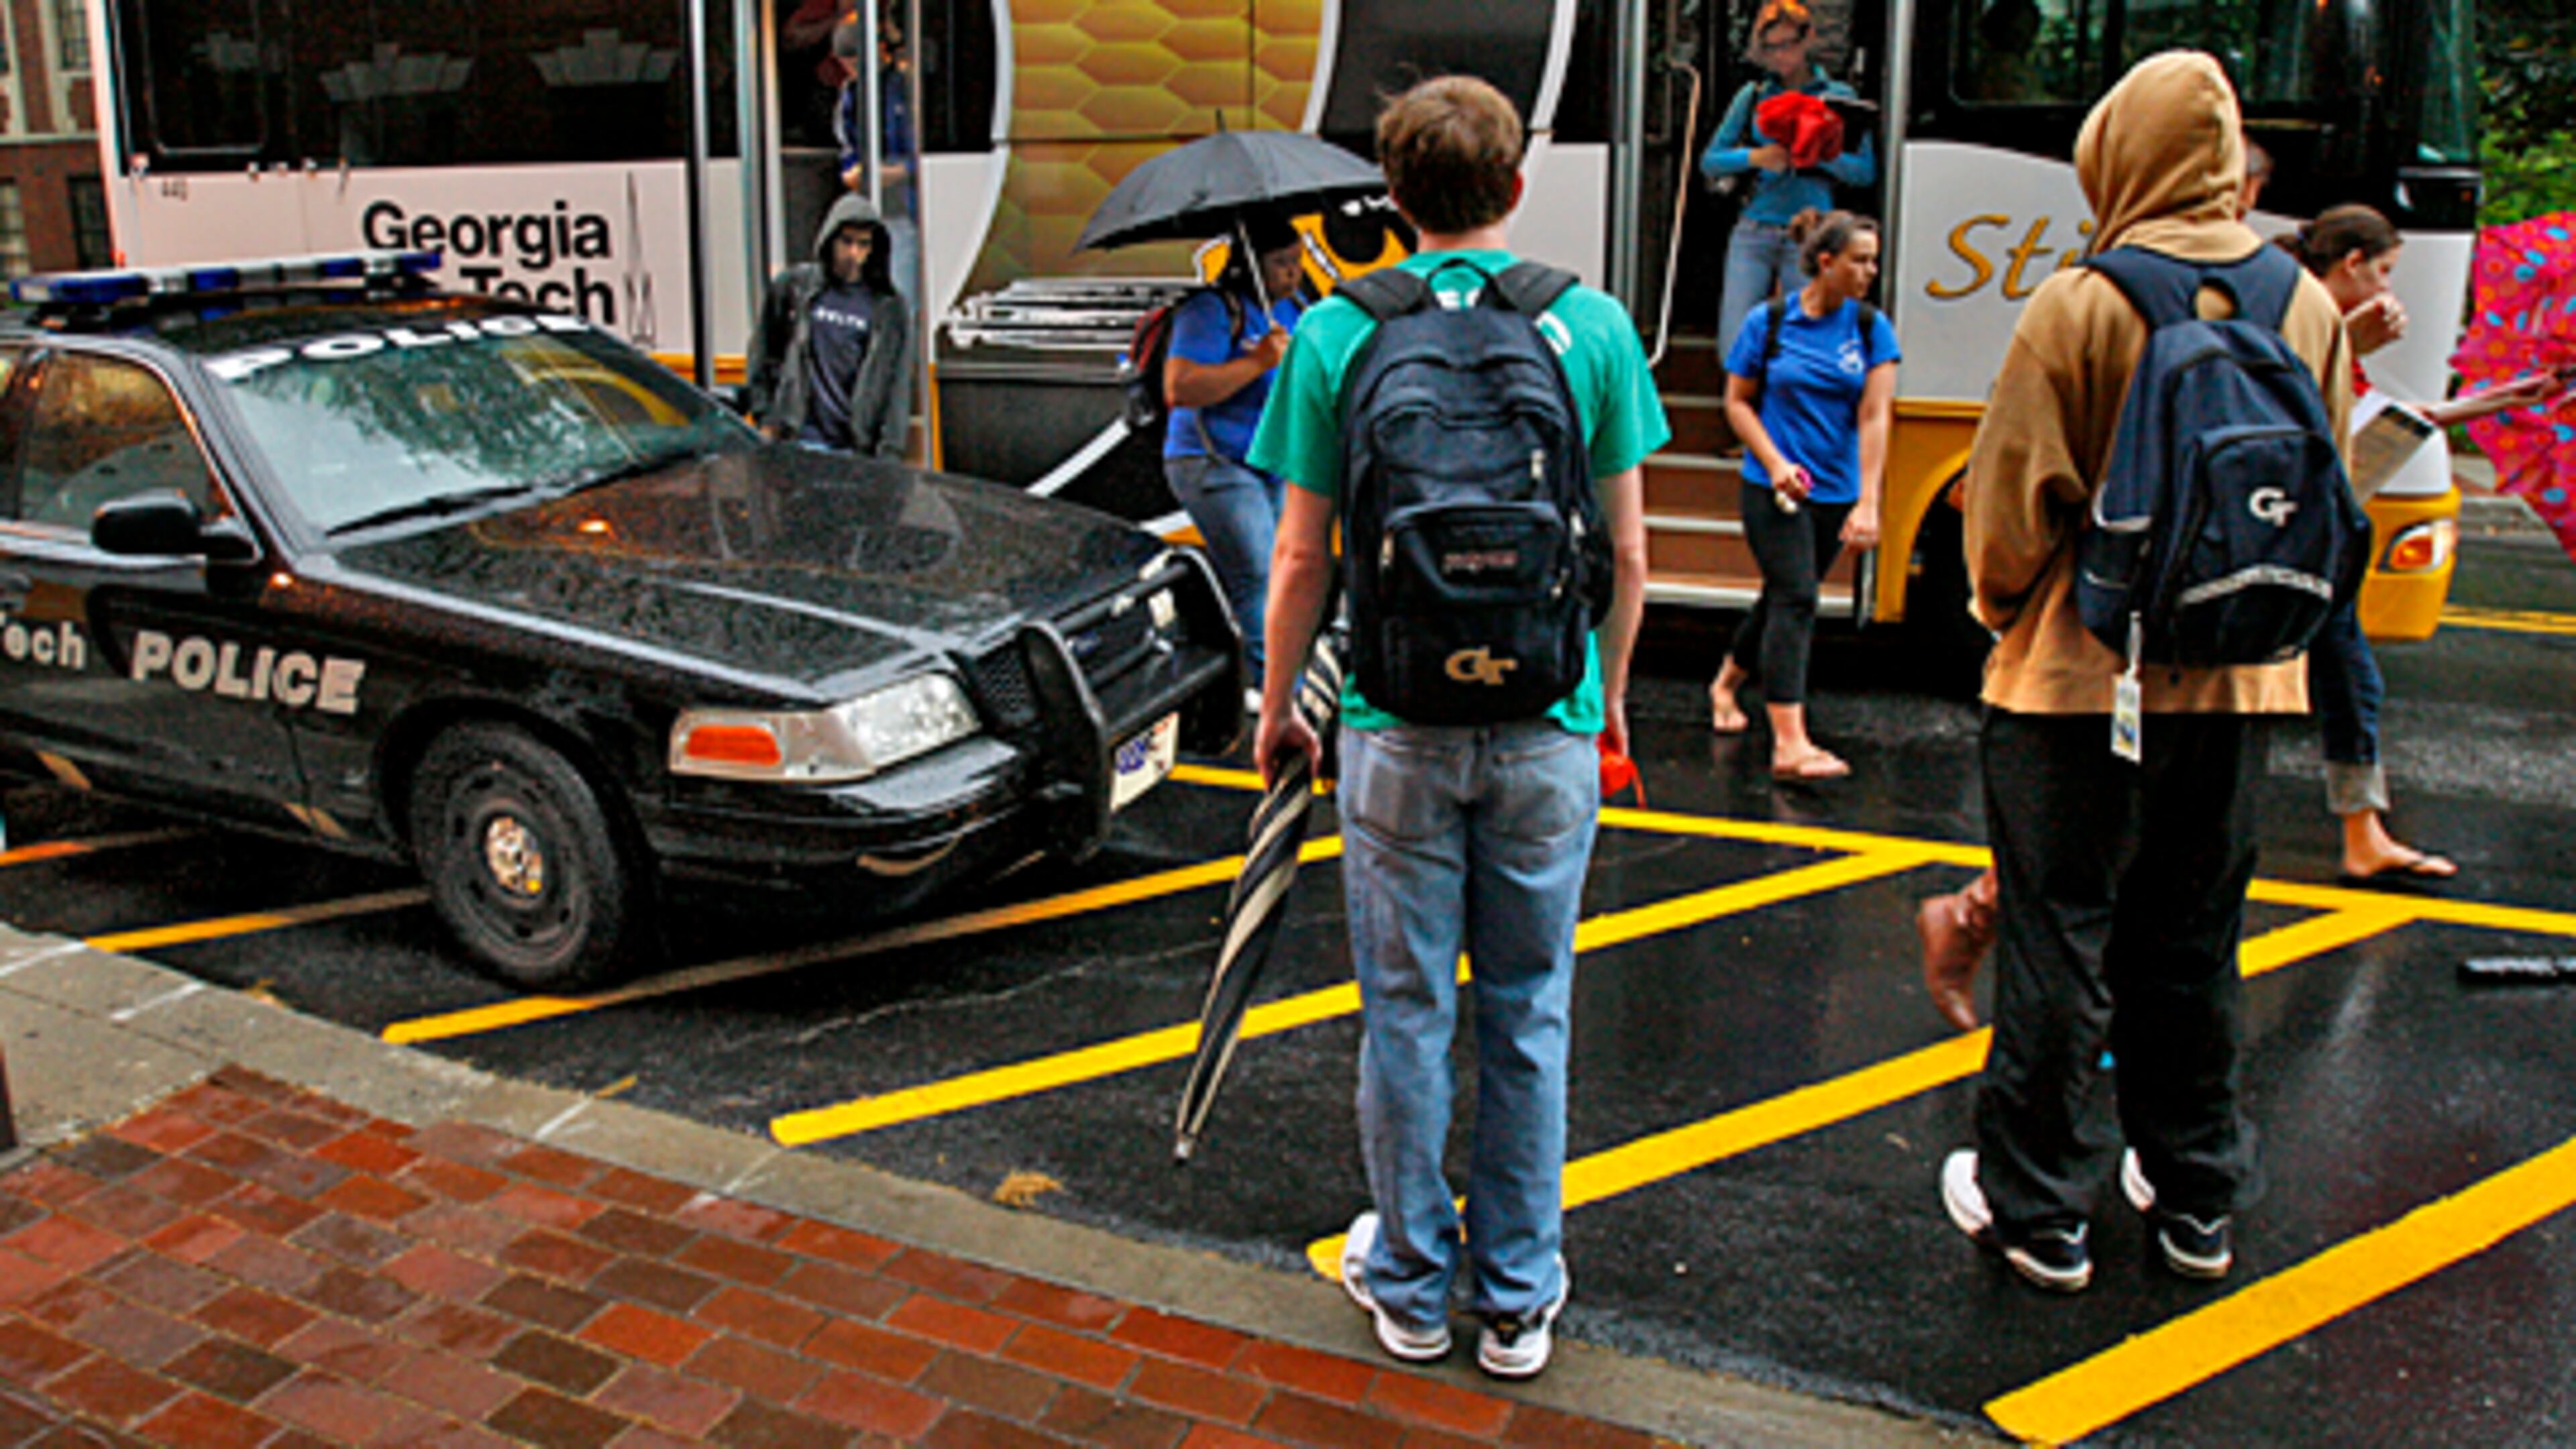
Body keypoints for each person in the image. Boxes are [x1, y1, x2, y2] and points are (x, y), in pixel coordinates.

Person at [1248, 75, 1662, 1378]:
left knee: (1409, 1010)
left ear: (1394, 198)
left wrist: (1278, 711)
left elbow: (1301, 558)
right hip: (1547, 714)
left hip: (1394, 717)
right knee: (1531, 1008)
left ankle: (1417, 1286)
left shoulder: (1337, 334)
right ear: (1519, 186)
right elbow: (1632, 554)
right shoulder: (1588, 326)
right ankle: (1521, 1295)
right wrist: (1605, 705)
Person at [1937, 51, 2356, 1294]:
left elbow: (2012, 510)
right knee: (2193, 938)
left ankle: (2041, 1210)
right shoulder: (2306, 304)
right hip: (2241, 683)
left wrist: (2008, 614)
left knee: (2061, 940)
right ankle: (2195, 1197)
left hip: (2078, 679)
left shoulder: (2082, 301)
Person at [2273, 205, 2559, 883]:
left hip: (2322, 531)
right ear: (2351, 264)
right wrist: (2345, 341)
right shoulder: (2290, 309)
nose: (2388, 289)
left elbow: (2387, 415)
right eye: (2385, 271)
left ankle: (2363, 832)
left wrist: (2500, 400)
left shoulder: (2325, 322)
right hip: (2286, 531)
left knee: (2348, 682)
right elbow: (2275, 390)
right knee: (2271, 684)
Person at [1705, 209, 1900, 780]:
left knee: (1784, 595)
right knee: (1797, 598)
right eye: (1860, 261)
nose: (1870, 272)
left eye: (1873, 262)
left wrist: (1868, 501)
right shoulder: (1767, 323)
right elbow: (1738, 403)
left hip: (1835, 491)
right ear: (1826, 262)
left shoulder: (1870, 328)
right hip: (1772, 488)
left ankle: (1724, 685)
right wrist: (1774, 461)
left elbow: (1874, 417)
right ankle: (1789, 742)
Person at [1701, 0, 1877, 388]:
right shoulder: (1754, 95)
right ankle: (1747, 424)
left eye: (1788, 45)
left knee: (1808, 335)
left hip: (1813, 234)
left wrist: (1822, 156)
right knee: (1736, 335)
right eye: (1772, 48)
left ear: (1808, 38)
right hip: (1755, 228)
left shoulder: (1837, 96)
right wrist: (1757, 157)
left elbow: (1865, 173)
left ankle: (1788, 424)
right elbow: (1711, 160)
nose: (1781, 57)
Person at [1163, 218, 1306, 680]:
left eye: (1298, 261)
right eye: (1281, 263)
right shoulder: (1210, 310)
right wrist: (1258, 360)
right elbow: (1180, 387)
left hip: (1269, 462)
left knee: (1283, 575)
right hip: (1212, 462)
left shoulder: (1292, 310)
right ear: (1249, 266)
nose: (1294, 273)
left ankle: (1261, 676)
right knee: (1260, 578)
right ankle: (1279, 694)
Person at [744, 191, 914, 459]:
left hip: (855, 447)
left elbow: (897, 386)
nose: (853, 253)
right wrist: (767, 417)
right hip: (797, 439)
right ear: (830, 239)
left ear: (873, 249)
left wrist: (889, 452)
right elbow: (763, 353)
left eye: (863, 245)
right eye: (846, 242)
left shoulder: (889, 307)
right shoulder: (794, 288)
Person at [832, 12, 921, 313]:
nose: (853, 71)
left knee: (902, 289)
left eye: (856, 62)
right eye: (847, 65)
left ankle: (901, 349)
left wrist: (899, 172)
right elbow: (847, 148)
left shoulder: (906, 84)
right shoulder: (850, 95)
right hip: (871, 208)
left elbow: (925, 150)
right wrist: (853, 172)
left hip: (906, 209)